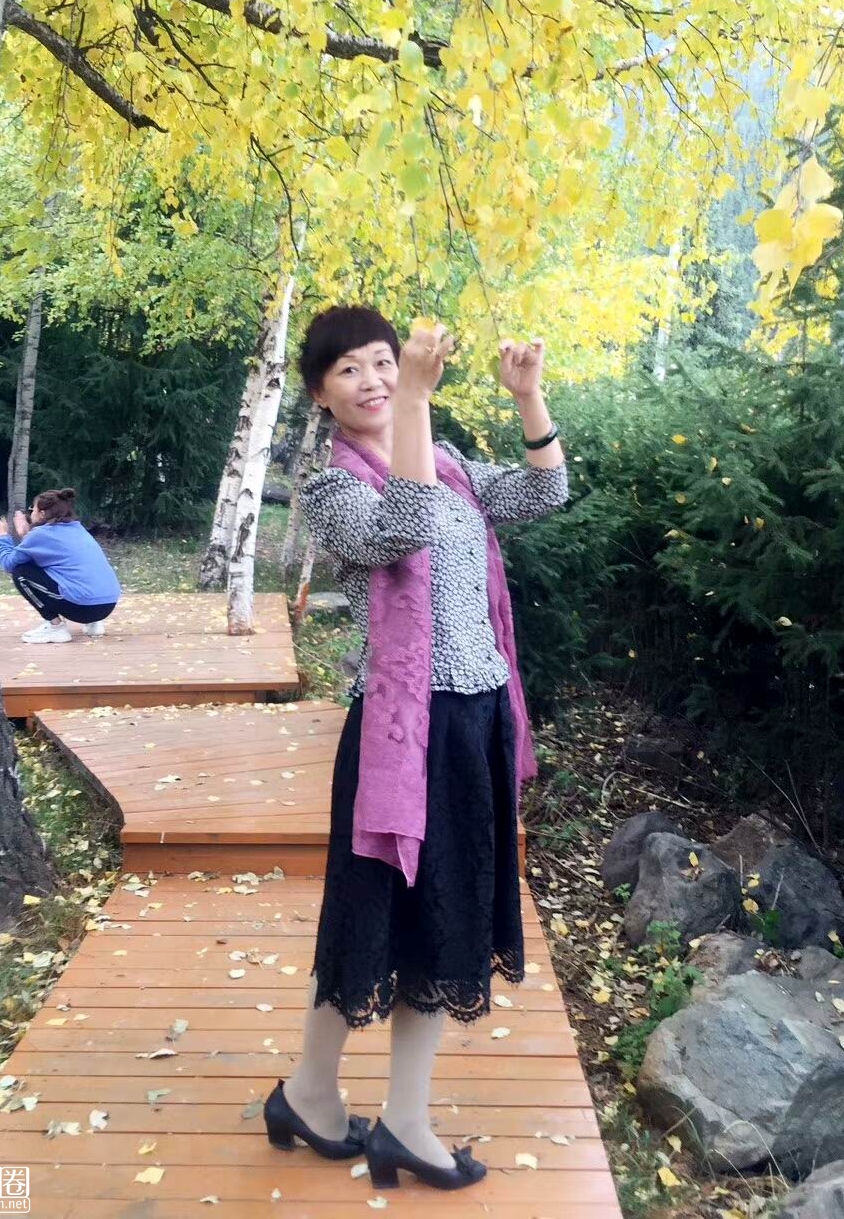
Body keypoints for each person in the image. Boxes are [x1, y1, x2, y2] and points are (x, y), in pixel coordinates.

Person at [262, 306, 568, 1191]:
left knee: (434, 917)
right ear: (320, 396)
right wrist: (416, 409)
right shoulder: (333, 489)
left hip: (472, 722)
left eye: (384, 362)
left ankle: (341, 1104)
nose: (374, 379)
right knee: (375, 921)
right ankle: (344, 1105)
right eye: (349, 370)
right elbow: (402, 527)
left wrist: (529, 398)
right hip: (402, 734)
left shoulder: (453, 464)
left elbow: (544, 492)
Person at [0, 488, 122, 643]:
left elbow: (8, 564)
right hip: (107, 605)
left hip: (82, 608)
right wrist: (26, 535)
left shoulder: (40, 535)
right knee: (70, 572)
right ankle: (94, 624)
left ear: (42, 514)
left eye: (32, 510)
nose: (30, 514)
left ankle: (55, 627)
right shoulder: (78, 529)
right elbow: (49, 557)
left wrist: (3, 536)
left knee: (21, 573)